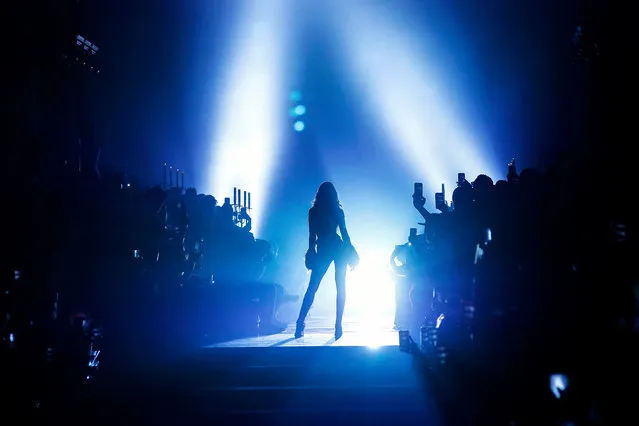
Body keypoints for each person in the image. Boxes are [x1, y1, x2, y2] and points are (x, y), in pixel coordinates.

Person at [295, 182, 353, 340]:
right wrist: (352, 251)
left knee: (312, 287)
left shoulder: (313, 211)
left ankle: (300, 324)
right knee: (341, 287)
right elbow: (345, 234)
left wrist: (311, 251)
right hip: (337, 247)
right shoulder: (337, 210)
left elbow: (311, 235)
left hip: (323, 248)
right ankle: (338, 325)